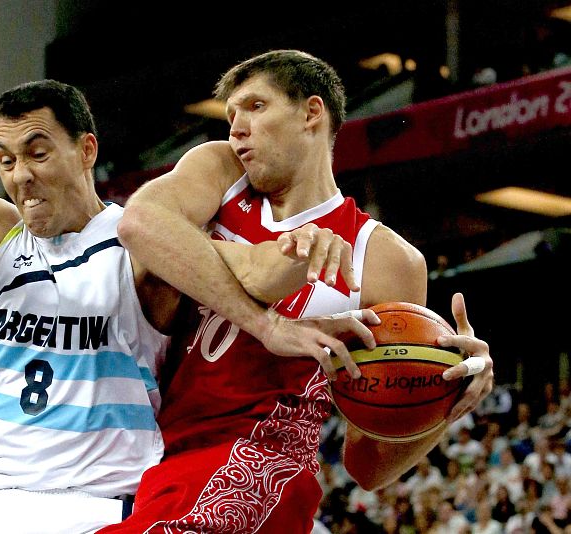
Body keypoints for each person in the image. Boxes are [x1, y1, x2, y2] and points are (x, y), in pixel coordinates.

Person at [0, 38, 380, 534]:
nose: (21, 176)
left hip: (94, 508)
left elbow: (251, 270)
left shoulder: (146, 246)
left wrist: (302, 253)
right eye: (6, 161)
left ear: (85, 150)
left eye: (37, 153)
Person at [99, 49, 494, 533]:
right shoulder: (221, 173)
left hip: (259, 466)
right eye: (231, 116)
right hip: (151, 455)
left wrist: (441, 407)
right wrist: (264, 312)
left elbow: (366, 466)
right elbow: (139, 222)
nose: (236, 128)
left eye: (256, 107)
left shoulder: (386, 259)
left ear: (311, 112)